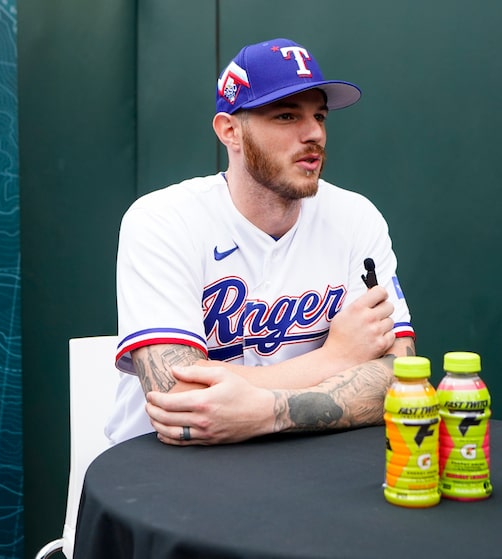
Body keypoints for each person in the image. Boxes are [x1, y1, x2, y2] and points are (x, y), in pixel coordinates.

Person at [106, 38, 416, 446]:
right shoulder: (162, 220)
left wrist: (268, 413)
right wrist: (336, 357)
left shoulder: (356, 217)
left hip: (303, 460)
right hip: (164, 473)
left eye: (319, 116)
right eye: (287, 116)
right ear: (230, 130)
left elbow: (402, 379)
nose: (314, 134)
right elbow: (179, 401)